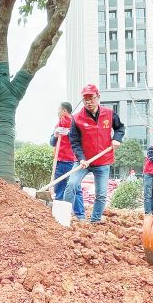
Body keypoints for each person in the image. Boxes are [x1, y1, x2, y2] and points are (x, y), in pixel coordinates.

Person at [63, 84, 125, 223]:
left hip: (103, 161)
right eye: (85, 99)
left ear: (98, 97)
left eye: (91, 98)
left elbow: (120, 128)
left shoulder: (109, 114)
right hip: (83, 162)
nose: (88, 102)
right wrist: (81, 158)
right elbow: (74, 141)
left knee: (101, 194)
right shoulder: (77, 118)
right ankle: (63, 217)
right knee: (72, 184)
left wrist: (117, 139)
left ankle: (95, 221)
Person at [49, 102, 84, 218]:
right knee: (59, 189)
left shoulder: (75, 123)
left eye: (59, 110)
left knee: (75, 188)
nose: (57, 112)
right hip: (59, 162)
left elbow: (81, 140)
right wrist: (55, 135)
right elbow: (52, 143)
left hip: (71, 161)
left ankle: (80, 215)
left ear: (64, 111)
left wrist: (70, 133)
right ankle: (60, 215)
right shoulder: (58, 124)